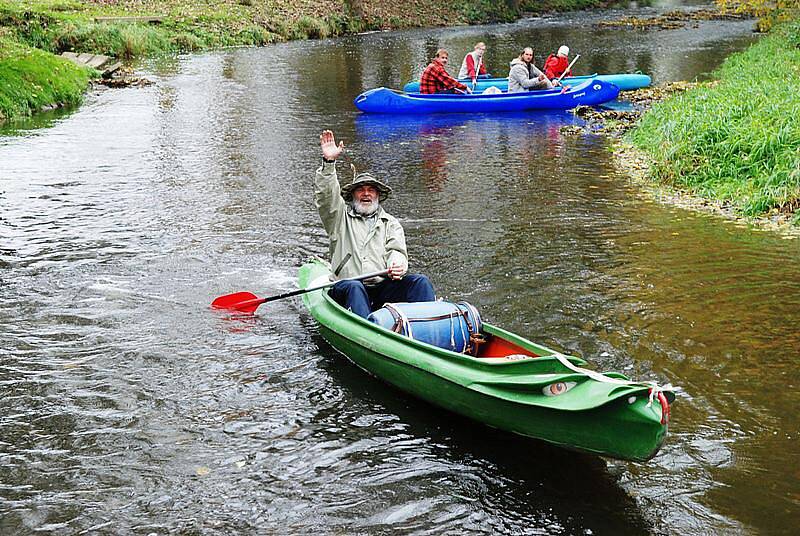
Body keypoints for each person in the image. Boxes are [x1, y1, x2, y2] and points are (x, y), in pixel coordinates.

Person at [315, 130, 435, 318]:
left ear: (378, 196)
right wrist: (329, 163)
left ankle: (429, 325)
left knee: (420, 282)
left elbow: (397, 251)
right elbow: (326, 199)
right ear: (353, 195)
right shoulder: (338, 218)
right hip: (347, 287)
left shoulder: (391, 224)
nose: (366, 194)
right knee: (354, 287)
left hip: (382, 289)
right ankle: (367, 334)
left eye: (371, 190)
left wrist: (398, 265)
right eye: (361, 190)